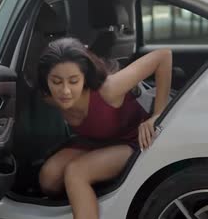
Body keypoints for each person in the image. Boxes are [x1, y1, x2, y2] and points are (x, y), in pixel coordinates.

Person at [37, 37, 172, 219]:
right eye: (56, 81)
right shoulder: (49, 98)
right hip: (92, 142)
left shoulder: (109, 89)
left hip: (129, 141)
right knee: (49, 179)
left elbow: (163, 56)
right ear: (47, 80)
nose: (65, 91)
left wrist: (158, 114)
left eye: (74, 81)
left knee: (76, 172)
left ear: (85, 77)